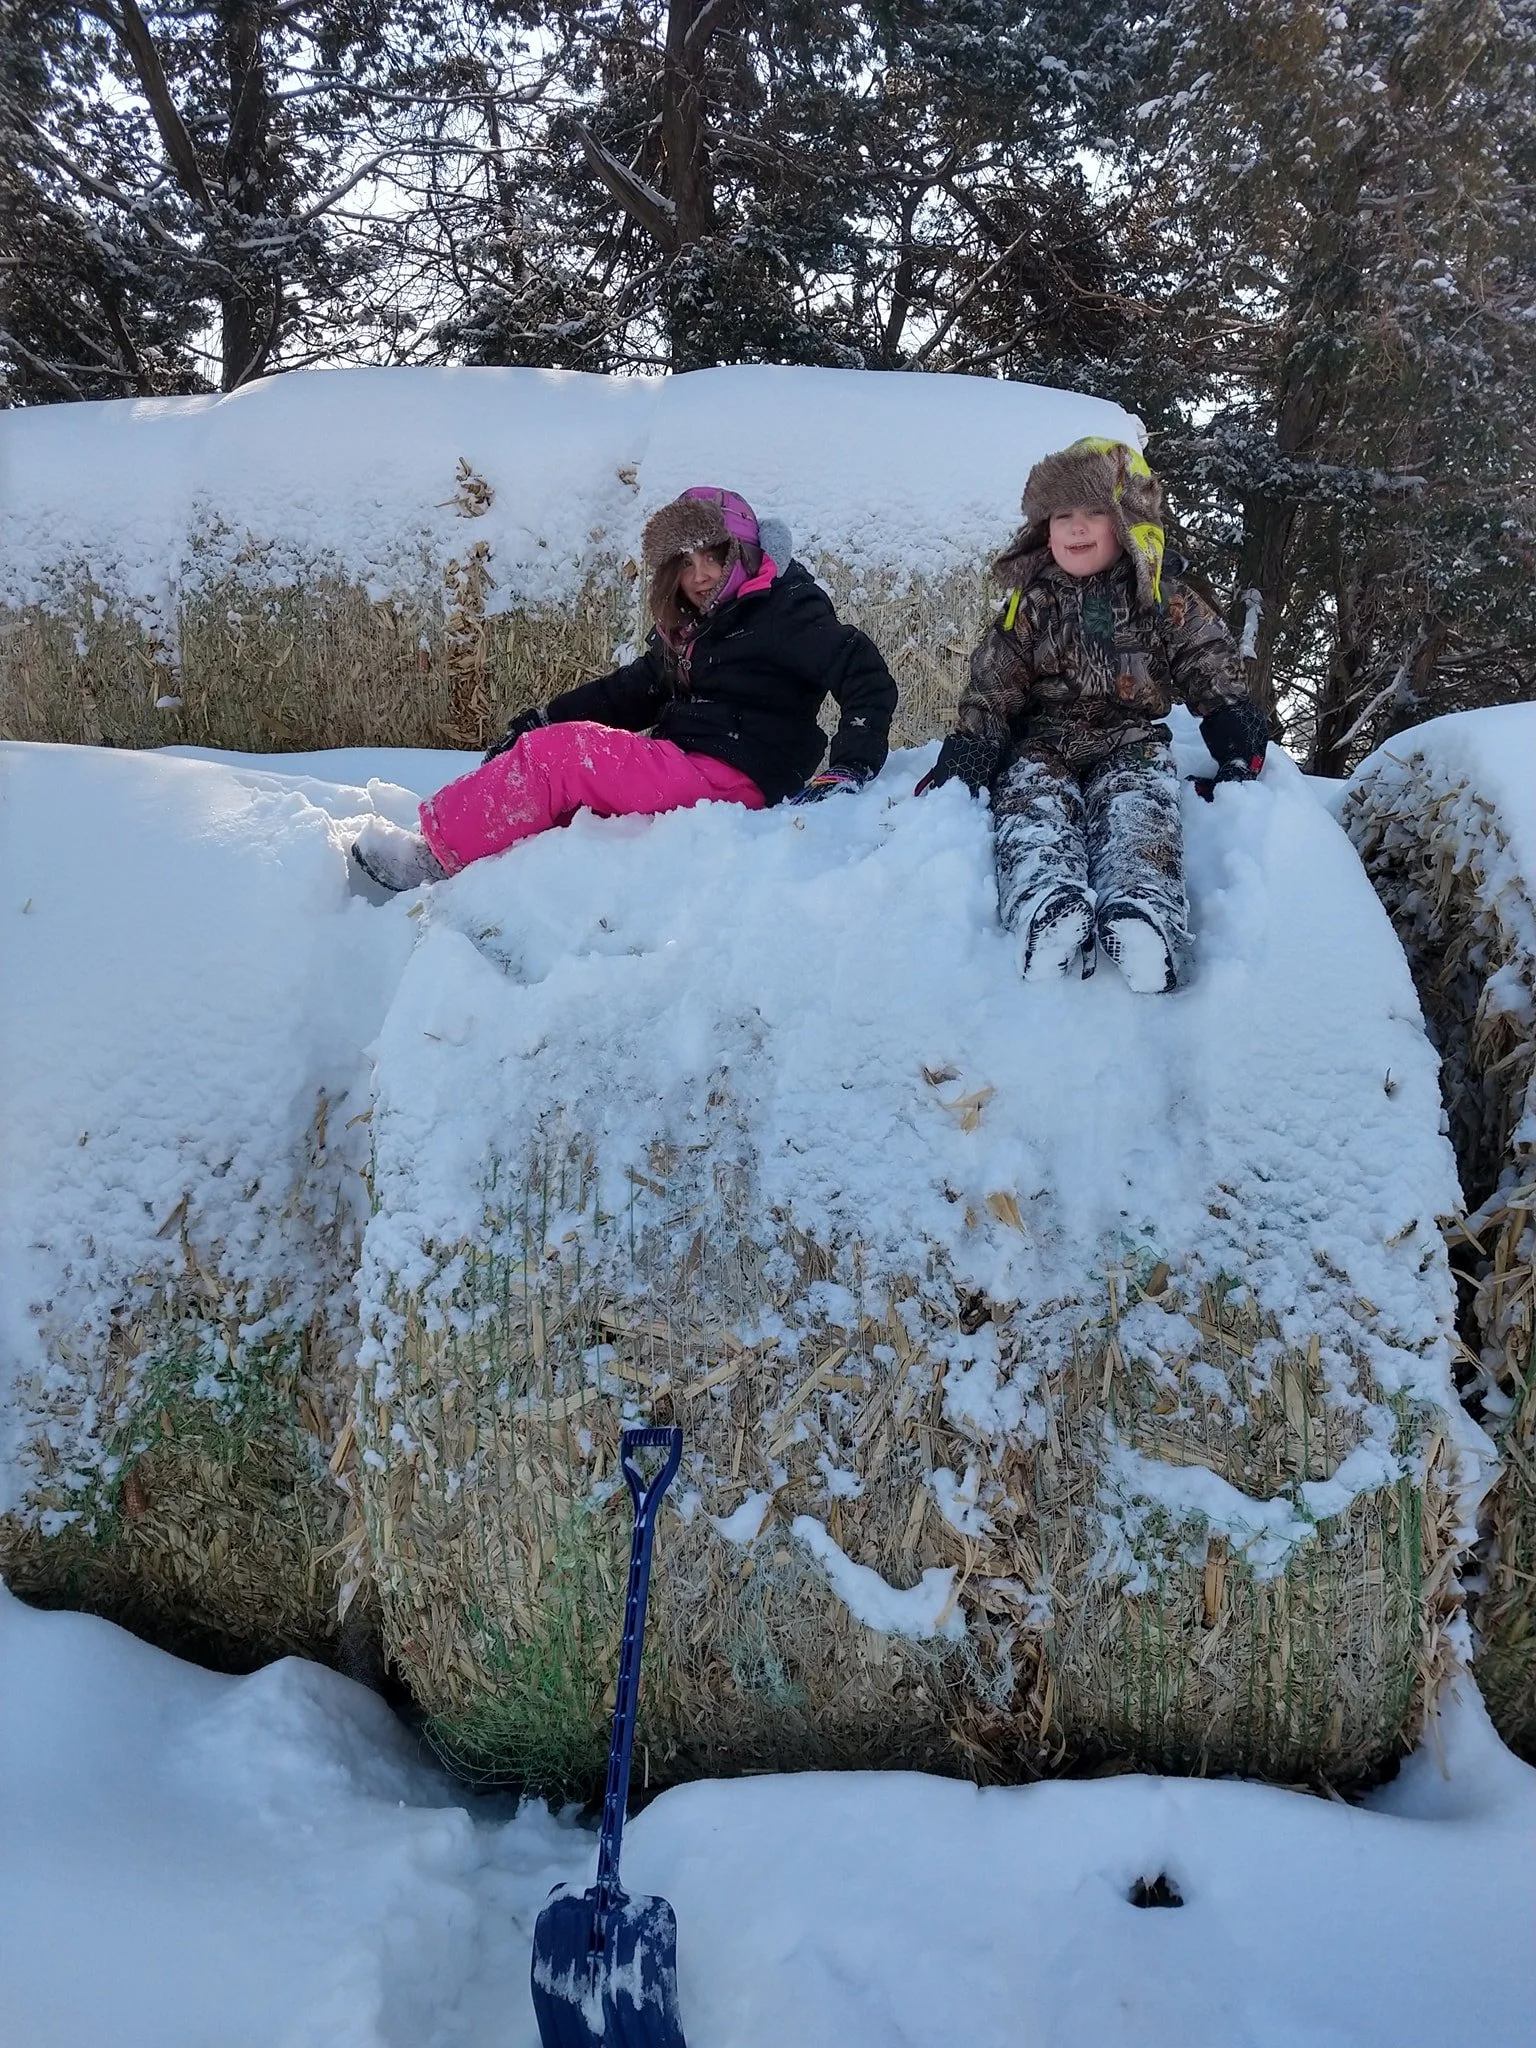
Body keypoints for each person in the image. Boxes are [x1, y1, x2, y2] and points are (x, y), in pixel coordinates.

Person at [350, 486, 898, 892]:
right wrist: (547, 717)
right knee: (560, 762)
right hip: (692, 761)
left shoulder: (783, 607)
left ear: (747, 552)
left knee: (561, 760)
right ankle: (489, 867)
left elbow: (863, 673)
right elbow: (632, 691)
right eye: (685, 564)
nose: (702, 575)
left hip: (735, 775)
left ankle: (436, 856)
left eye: (715, 555)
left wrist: (848, 765)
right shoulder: (698, 627)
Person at [918, 437, 1268, 992]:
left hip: (1132, 741)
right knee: (1031, 808)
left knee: (1141, 813)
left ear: (1128, 521)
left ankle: (1143, 913)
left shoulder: (1161, 598)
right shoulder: (1033, 604)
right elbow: (994, 681)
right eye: (1062, 515)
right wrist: (971, 751)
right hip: (1046, 742)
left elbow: (1209, 663)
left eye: (1094, 513)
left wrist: (1235, 738)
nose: (1076, 528)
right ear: (1044, 529)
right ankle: (1045, 902)